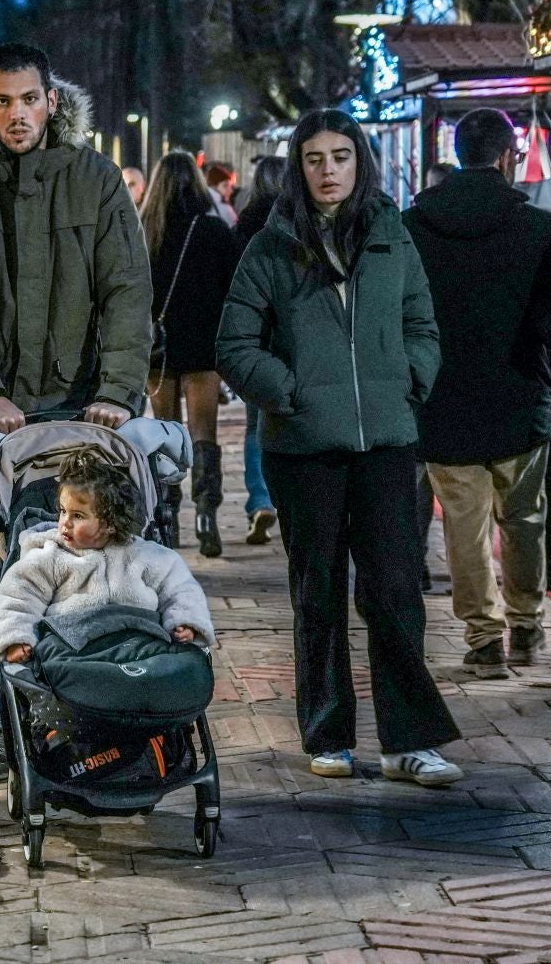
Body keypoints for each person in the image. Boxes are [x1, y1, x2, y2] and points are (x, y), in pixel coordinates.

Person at [0, 40, 153, 783]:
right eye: (2, 101)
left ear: (52, 101)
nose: (17, 114)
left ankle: (79, 716)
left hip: (78, 417)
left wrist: (116, 391)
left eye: (29, 99)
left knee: (83, 568)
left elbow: (127, 288)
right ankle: (1, 722)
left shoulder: (94, 177)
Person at [218, 108, 464, 786]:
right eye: (315, 158)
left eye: (340, 156)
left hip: (386, 440)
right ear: (298, 168)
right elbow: (234, 344)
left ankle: (410, 741)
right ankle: (328, 732)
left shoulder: (392, 236)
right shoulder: (272, 247)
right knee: (318, 591)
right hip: (304, 450)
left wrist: (411, 380)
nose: (328, 170)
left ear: (361, 161)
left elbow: (422, 322)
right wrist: (290, 392)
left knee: (395, 590)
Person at [403, 109, 551, 676]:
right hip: (519, 391)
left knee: (463, 526)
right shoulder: (539, 227)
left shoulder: (413, 225)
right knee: (524, 520)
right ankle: (526, 625)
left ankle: (483, 638)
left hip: (442, 398)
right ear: (507, 158)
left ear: (457, 154)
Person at [0, 450, 215, 663]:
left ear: (110, 524)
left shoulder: (142, 554)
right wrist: (15, 637)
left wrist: (185, 620)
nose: (65, 522)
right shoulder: (50, 556)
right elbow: (19, 595)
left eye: (77, 516)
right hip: (74, 649)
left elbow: (178, 588)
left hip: (138, 641)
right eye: (63, 511)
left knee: (181, 663)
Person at [143, 151, 240, 557]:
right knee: (204, 434)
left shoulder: (144, 230)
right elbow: (231, 288)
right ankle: (206, 516)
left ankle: (169, 519)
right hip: (203, 346)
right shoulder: (214, 230)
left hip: (159, 349)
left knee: (166, 434)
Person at [231, 155, 286, 545]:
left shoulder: (246, 222)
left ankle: (261, 499)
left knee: (255, 424)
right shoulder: (301, 219)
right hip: (296, 335)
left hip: (256, 337)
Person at [204, 161, 240, 227]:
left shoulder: (199, 202)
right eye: (225, 185)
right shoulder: (225, 210)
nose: (231, 190)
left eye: (230, 186)